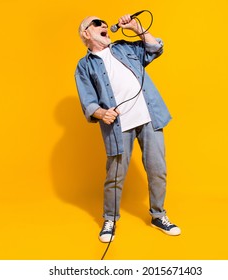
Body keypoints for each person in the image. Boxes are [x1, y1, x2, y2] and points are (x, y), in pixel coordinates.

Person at [74, 14, 181, 243]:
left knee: (157, 170)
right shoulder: (84, 66)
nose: (103, 25)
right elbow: (88, 100)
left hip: (149, 117)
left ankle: (159, 215)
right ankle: (110, 219)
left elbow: (154, 48)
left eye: (104, 23)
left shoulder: (124, 48)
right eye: (96, 23)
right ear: (86, 33)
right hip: (118, 126)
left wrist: (136, 28)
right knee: (115, 175)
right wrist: (101, 113)